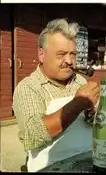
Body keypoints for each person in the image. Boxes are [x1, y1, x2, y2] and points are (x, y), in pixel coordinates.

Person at [12, 19, 100, 173]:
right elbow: (33, 135)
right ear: (41, 54)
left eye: (72, 54)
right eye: (61, 54)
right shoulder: (28, 87)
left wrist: (93, 114)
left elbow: (94, 124)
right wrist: (77, 104)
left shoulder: (80, 80)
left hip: (87, 164)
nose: (69, 61)